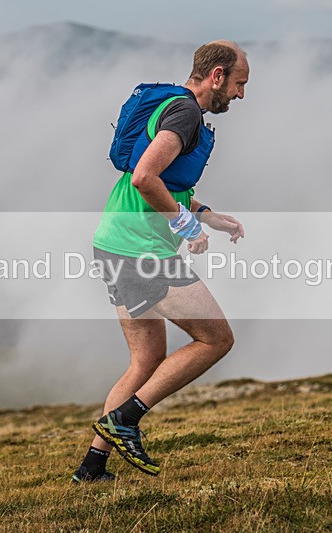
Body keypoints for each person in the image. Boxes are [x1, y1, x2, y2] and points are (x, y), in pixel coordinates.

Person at [72, 40, 250, 482]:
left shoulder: (174, 106)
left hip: (115, 243)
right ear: (217, 76)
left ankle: (92, 467)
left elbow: (167, 180)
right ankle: (126, 419)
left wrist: (206, 215)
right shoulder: (186, 113)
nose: (241, 95)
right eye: (240, 83)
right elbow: (145, 176)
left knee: (145, 359)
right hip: (139, 252)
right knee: (216, 339)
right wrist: (187, 228)